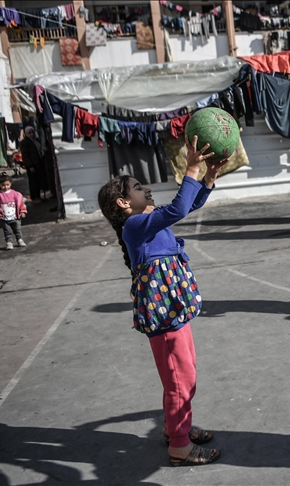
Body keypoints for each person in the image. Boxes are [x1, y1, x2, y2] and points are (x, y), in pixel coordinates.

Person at [97, 136, 228, 467]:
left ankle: (176, 429)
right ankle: (179, 448)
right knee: (179, 381)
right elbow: (179, 208)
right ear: (123, 203)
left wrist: (208, 177)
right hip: (165, 318)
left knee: (185, 375)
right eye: (138, 187)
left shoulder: (148, 220)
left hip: (174, 313)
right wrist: (192, 168)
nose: (147, 189)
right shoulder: (134, 226)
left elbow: (187, 206)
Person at [0, 173, 27, 250]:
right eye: (3, 185)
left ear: (10, 184)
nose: (5, 187)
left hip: (15, 217)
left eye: (7, 185)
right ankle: (9, 242)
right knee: (7, 231)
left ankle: (19, 239)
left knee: (17, 229)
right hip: (4, 218)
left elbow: (21, 203)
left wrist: (22, 211)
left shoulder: (15, 194)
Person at [18, 126, 46, 202]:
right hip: (32, 165)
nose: (32, 134)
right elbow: (25, 155)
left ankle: (38, 196)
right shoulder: (25, 143)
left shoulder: (36, 140)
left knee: (39, 180)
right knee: (33, 181)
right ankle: (34, 197)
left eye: (32, 132)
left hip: (38, 163)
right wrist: (30, 166)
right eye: (29, 133)